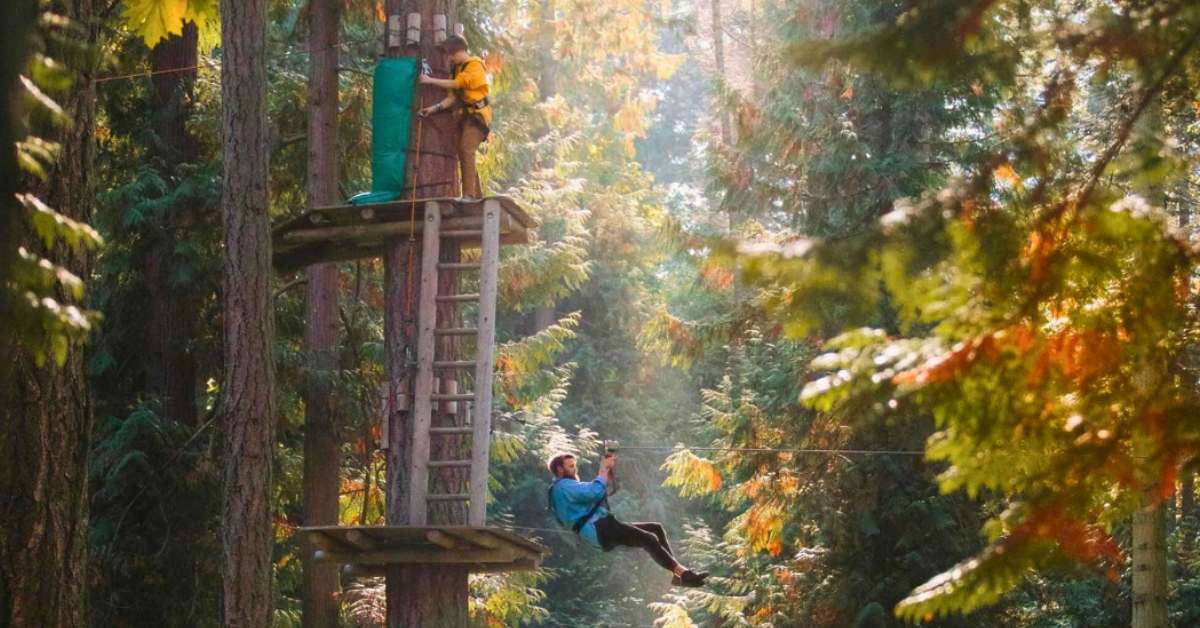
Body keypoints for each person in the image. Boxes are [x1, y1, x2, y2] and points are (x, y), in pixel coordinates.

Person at [546, 451, 709, 587]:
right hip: (599, 528)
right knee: (649, 538)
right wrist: (603, 468)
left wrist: (606, 472)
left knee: (655, 528)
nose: (575, 470)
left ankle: (677, 574)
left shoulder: (562, 488)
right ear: (559, 470)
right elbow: (594, 491)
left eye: (575, 466)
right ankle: (684, 574)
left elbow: (594, 490)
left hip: (601, 527)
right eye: (571, 466)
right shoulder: (564, 486)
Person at [417, 35, 491, 201]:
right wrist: (434, 109)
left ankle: (469, 195)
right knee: (464, 152)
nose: (448, 58)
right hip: (465, 117)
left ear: (458, 51)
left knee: (466, 149)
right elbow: (451, 98)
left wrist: (430, 81)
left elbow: (459, 84)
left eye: (450, 53)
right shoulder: (456, 70)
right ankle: (476, 195)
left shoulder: (475, 65)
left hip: (478, 116)